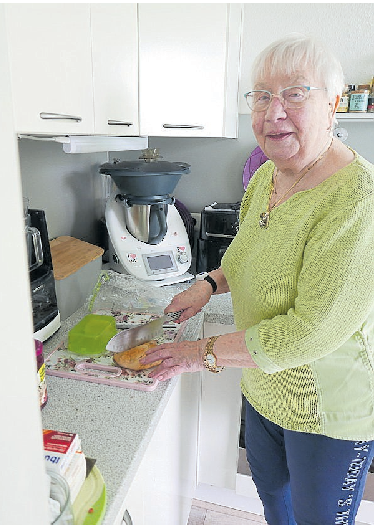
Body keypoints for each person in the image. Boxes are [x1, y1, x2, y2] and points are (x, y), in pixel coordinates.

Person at [141, 34, 374, 525]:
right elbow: (247, 253)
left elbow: (307, 333)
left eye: (295, 93)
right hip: (263, 388)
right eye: (261, 95)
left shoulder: (356, 200)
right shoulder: (269, 173)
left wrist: (197, 353)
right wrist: (207, 284)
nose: (274, 112)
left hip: (325, 410)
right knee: (275, 505)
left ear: (333, 105)